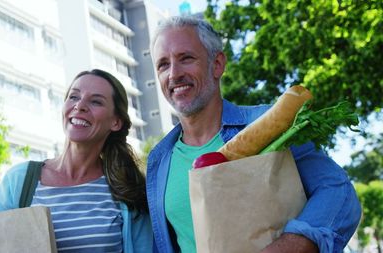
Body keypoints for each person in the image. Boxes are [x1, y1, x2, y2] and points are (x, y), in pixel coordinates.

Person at [146, 16, 361, 253]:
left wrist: (290, 245)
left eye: (186, 58)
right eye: (163, 64)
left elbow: (338, 191)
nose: (174, 74)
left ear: (217, 64)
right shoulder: (159, 159)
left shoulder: (271, 125)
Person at [0, 69, 152, 252]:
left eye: (96, 101)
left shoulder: (128, 188)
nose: (80, 106)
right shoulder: (19, 180)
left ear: (115, 122)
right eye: (74, 97)